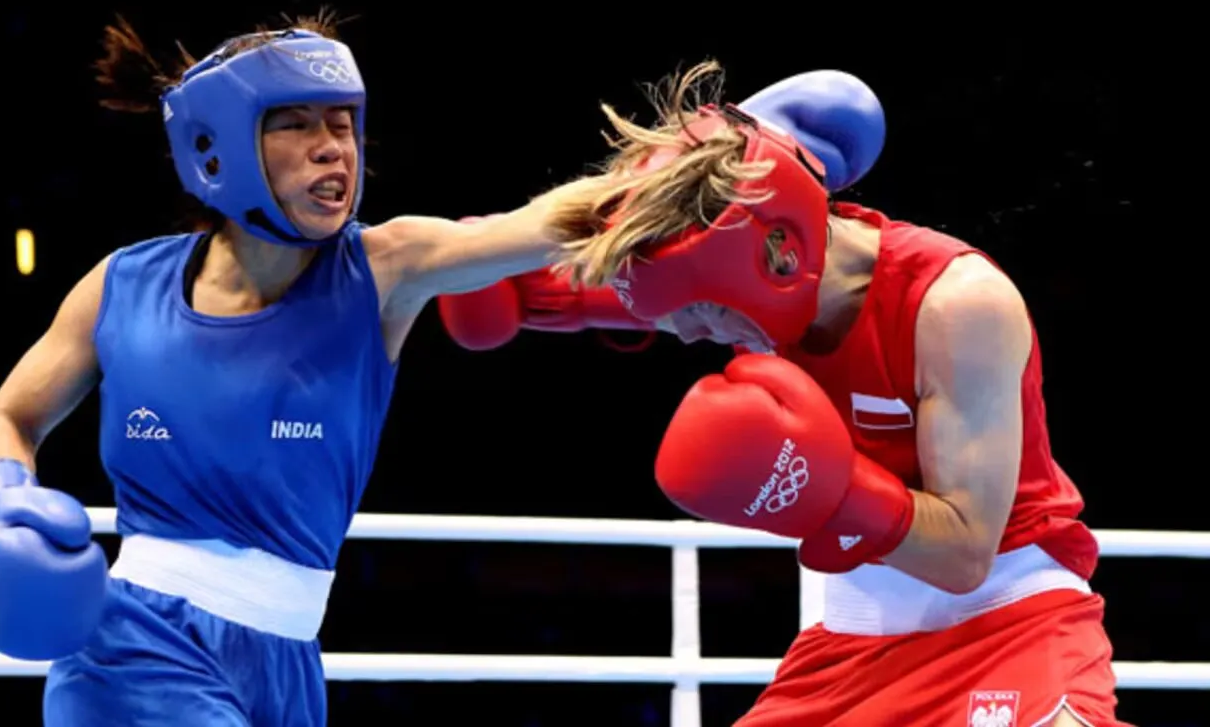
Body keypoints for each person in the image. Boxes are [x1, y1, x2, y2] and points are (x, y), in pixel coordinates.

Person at [0, 12, 623, 726]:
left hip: (288, 663)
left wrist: (691, 168)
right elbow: (9, 417)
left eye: (342, 125)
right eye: (298, 125)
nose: (331, 149)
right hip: (133, 647)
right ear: (220, 145)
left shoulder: (386, 268)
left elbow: (543, 224)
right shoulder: (121, 285)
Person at [436, 62, 1128, 726]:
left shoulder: (956, 305)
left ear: (778, 260)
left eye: (706, 315)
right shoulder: (738, 281)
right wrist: (509, 284)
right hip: (853, 641)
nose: (693, 337)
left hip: (1010, 617)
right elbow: (631, 291)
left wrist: (832, 488)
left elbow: (964, 552)